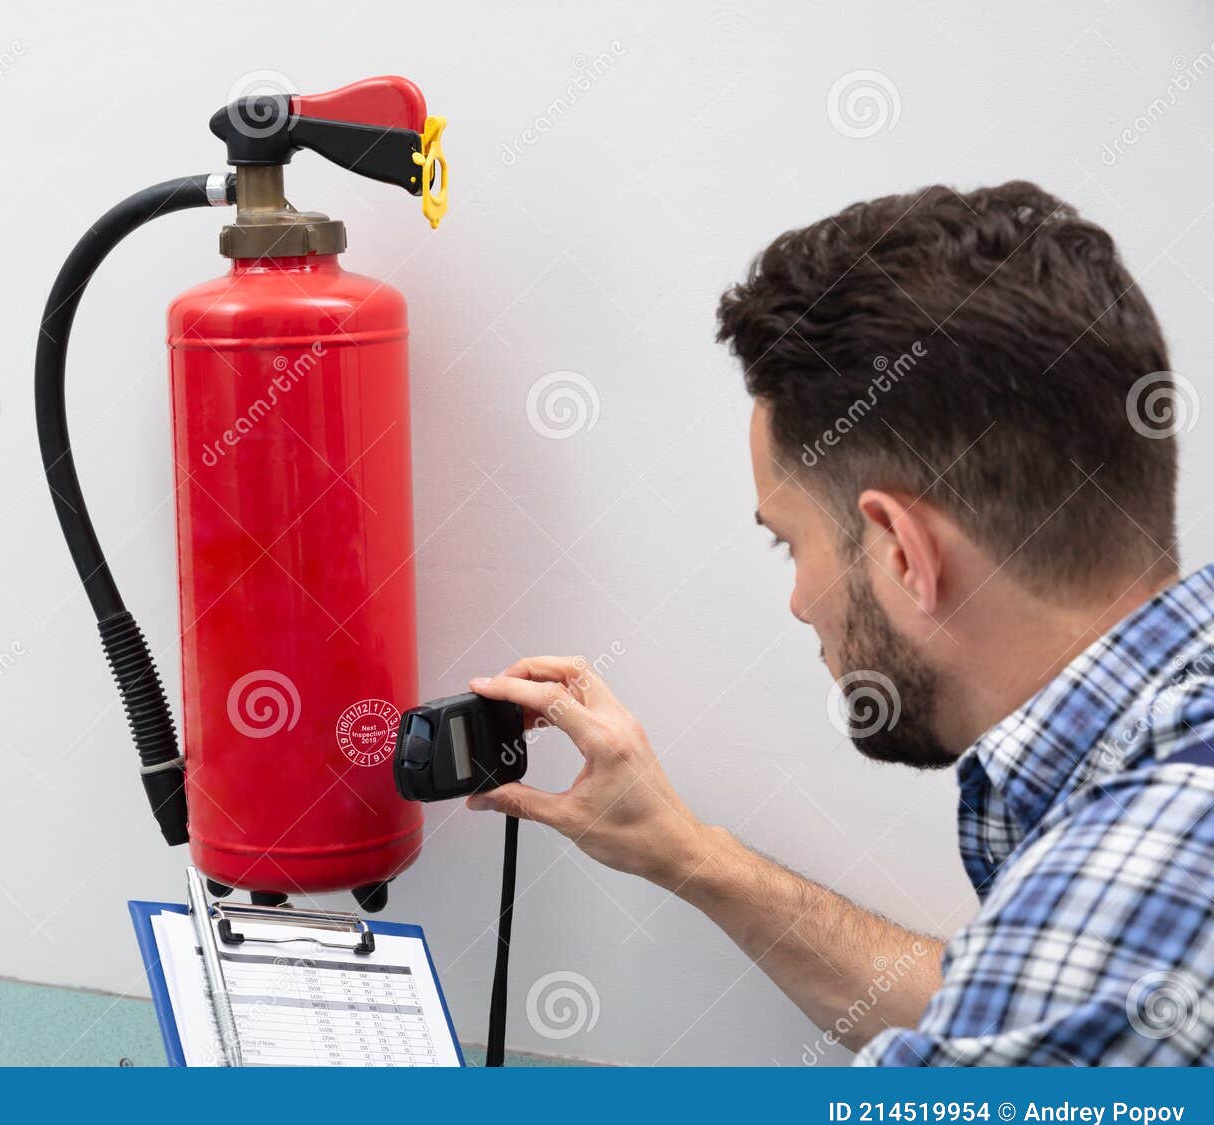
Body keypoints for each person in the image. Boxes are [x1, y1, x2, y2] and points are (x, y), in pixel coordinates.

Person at [469, 181, 1214, 1065]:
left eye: (791, 545)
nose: (799, 602)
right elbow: (1011, 1014)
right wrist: (689, 854)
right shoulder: (1164, 781)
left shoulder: (1133, 888)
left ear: (903, 550)